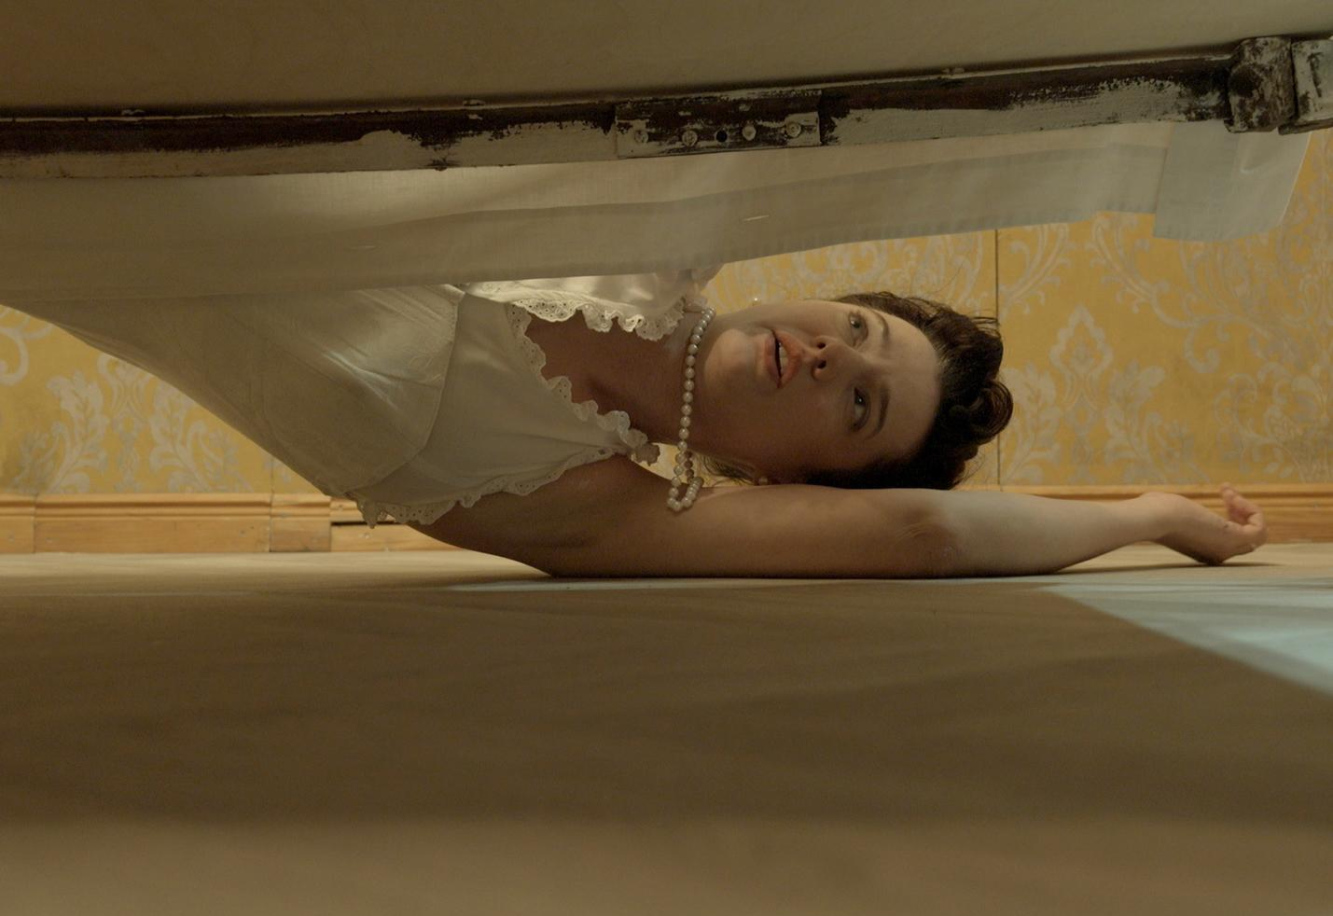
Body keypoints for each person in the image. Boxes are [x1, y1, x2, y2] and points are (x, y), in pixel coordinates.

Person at [6, 270, 1267, 577]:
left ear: (786, 477)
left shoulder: (584, 504)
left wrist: (1149, 515)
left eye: (857, 405)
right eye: (857, 330)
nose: (833, 354)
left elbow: (925, 534)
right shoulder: (664, 190)